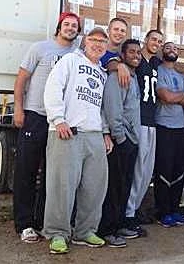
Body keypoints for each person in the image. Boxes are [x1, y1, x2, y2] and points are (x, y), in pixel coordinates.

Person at [43, 27, 113, 254]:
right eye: (93, 39)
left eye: (102, 41)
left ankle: (85, 231)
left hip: (94, 135)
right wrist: (58, 119)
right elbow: (53, 87)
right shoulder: (70, 61)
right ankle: (57, 233)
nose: (98, 44)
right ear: (85, 42)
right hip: (67, 131)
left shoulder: (102, 73)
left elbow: (101, 107)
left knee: (94, 187)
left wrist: (105, 132)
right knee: (62, 186)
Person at [12, 12, 81, 243]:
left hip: (60, 122)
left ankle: (43, 221)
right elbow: (21, 79)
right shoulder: (40, 48)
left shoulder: (77, 54)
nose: (70, 28)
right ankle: (24, 224)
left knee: (53, 175)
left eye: (74, 26)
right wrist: (19, 109)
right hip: (36, 115)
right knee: (26, 171)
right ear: (59, 27)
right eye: (67, 24)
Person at [98, 39, 142, 248]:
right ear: (122, 56)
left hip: (132, 140)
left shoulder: (133, 77)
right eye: (131, 52)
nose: (136, 55)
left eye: (138, 52)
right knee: (114, 187)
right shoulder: (117, 76)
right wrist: (120, 137)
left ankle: (120, 224)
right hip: (121, 140)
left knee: (125, 185)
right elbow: (113, 107)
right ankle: (107, 230)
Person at [123, 29, 163, 236]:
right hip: (138, 120)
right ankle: (127, 213)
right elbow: (118, 62)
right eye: (153, 39)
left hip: (152, 121)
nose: (156, 43)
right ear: (146, 40)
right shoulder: (137, 61)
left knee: (147, 171)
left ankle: (134, 209)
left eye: (160, 41)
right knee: (137, 169)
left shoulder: (156, 63)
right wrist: (118, 64)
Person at [154, 42, 184, 227]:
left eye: (175, 49)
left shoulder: (181, 75)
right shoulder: (158, 70)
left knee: (178, 169)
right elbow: (165, 97)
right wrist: (175, 97)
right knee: (164, 169)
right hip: (163, 125)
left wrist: (172, 97)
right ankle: (163, 212)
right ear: (163, 51)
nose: (172, 51)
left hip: (181, 126)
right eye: (168, 48)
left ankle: (175, 210)